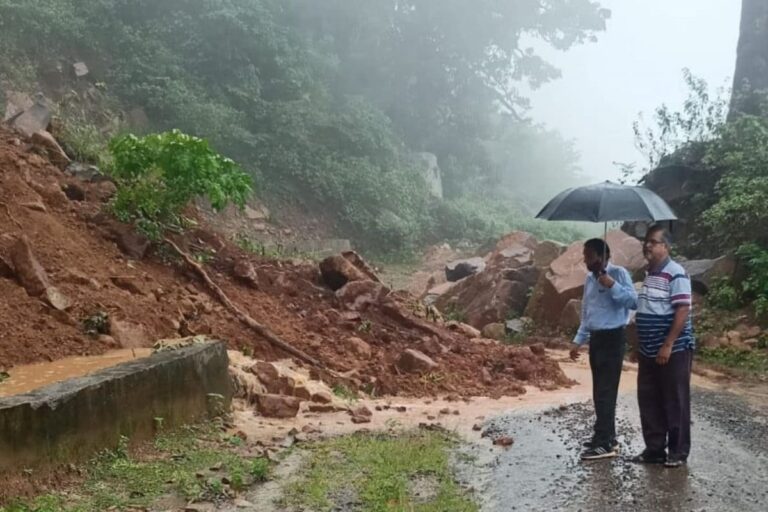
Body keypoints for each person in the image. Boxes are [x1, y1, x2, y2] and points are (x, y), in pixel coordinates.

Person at [631, 225, 695, 468]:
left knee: (674, 400)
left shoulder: (675, 272)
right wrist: (639, 345)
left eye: (653, 242)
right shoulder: (650, 274)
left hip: (674, 349)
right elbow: (647, 310)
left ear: (666, 246)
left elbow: (682, 309)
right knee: (648, 399)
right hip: (648, 350)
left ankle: (678, 452)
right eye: (646, 241)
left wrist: (667, 344)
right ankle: (654, 449)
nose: (647, 245)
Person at [570, 238, 638, 460]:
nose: (586, 260)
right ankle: (605, 435)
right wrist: (578, 341)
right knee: (599, 390)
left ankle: (605, 444)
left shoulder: (619, 274)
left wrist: (611, 284)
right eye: (585, 255)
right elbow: (587, 312)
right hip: (596, 339)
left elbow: (633, 302)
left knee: (607, 392)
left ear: (603, 256)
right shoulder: (589, 279)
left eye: (589, 256)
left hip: (613, 338)